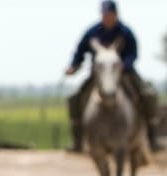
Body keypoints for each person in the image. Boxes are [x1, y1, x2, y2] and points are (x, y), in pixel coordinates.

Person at [66, 1, 161, 152]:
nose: (107, 17)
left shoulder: (125, 32)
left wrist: (124, 64)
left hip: (124, 72)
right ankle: (77, 140)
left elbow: (133, 53)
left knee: (147, 94)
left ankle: (152, 137)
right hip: (99, 74)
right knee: (75, 97)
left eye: (110, 14)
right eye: (105, 14)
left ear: (116, 14)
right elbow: (80, 51)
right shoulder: (92, 32)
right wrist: (73, 66)